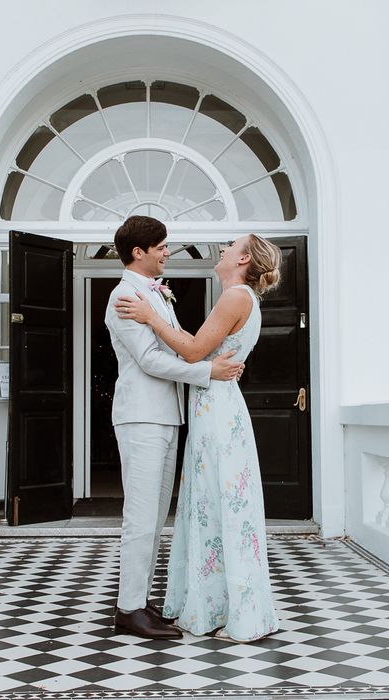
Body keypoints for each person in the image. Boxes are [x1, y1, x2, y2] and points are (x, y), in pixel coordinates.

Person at [115, 233, 282, 642]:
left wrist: (153, 318)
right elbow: (197, 350)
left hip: (216, 408)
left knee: (218, 501)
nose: (222, 249)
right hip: (210, 404)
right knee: (212, 504)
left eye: (229, 245)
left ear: (243, 258)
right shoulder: (238, 297)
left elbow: (192, 352)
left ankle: (228, 608)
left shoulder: (235, 297)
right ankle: (214, 602)